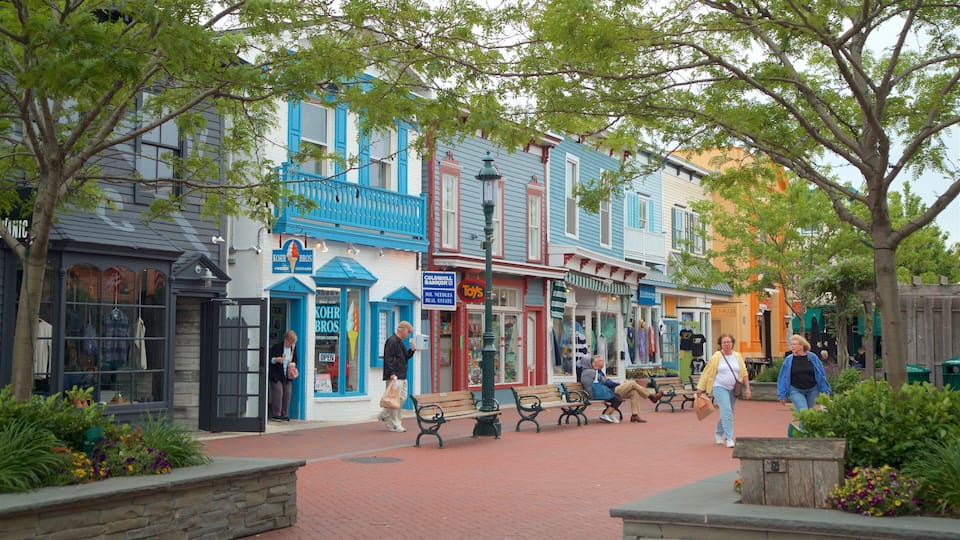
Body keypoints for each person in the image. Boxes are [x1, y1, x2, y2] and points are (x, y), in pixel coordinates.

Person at [696, 334, 751, 448]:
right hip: (719, 387)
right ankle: (729, 438)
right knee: (726, 411)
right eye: (724, 342)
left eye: (729, 342)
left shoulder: (737, 356)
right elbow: (707, 373)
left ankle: (719, 432)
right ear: (720, 344)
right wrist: (700, 388)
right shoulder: (716, 357)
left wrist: (748, 388)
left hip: (734, 388)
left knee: (728, 412)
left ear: (732, 343)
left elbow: (744, 372)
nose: (727, 344)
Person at [581, 355, 662, 424]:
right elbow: (607, 383)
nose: (603, 362)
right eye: (601, 361)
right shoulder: (593, 372)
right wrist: (620, 384)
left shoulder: (599, 371)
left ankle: (635, 415)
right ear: (595, 362)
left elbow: (607, 381)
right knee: (632, 384)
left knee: (633, 392)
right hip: (610, 391)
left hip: (610, 390)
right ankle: (651, 397)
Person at [777, 334, 832, 413]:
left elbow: (820, 374)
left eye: (794, 344)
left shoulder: (812, 357)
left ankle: (802, 426)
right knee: (804, 412)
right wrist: (782, 395)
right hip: (796, 389)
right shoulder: (789, 360)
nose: (792, 346)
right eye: (791, 344)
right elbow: (782, 377)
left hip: (812, 389)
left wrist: (825, 390)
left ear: (802, 346)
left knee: (808, 415)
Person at [378, 321, 416, 432]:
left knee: (401, 398)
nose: (409, 334)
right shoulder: (392, 341)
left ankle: (384, 414)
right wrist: (391, 373)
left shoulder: (400, 342)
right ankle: (396, 424)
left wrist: (412, 350)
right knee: (394, 401)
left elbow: (404, 357)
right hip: (395, 376)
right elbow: (388, 358)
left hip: (402, 375)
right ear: (402, 330)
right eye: (408, 332)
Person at [268, 330, 297, 421]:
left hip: (287, 375)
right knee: (278, 392)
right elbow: (270, 359)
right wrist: (277, 360)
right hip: (276, 374)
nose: (291, 344)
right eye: (290, 342)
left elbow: (296, 360)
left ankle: (284, 414)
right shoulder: (277, 347)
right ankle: (276, 414)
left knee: (288, 393)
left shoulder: (293, 349)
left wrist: (293, 364)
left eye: (293, 342)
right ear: (286, 340)